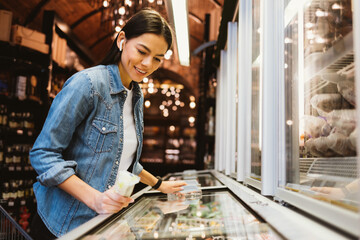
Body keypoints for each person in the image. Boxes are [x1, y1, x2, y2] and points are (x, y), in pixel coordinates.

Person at [29, 9, 186, 239]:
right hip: (63, 226)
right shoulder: (88, 84)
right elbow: (43, 154)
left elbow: (122, 158)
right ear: (122, 40)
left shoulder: (136, 95)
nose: (147, 64)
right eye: (142, 51)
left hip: (102, 227)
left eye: (158, 58)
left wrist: (159, 184)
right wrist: (97, 200)